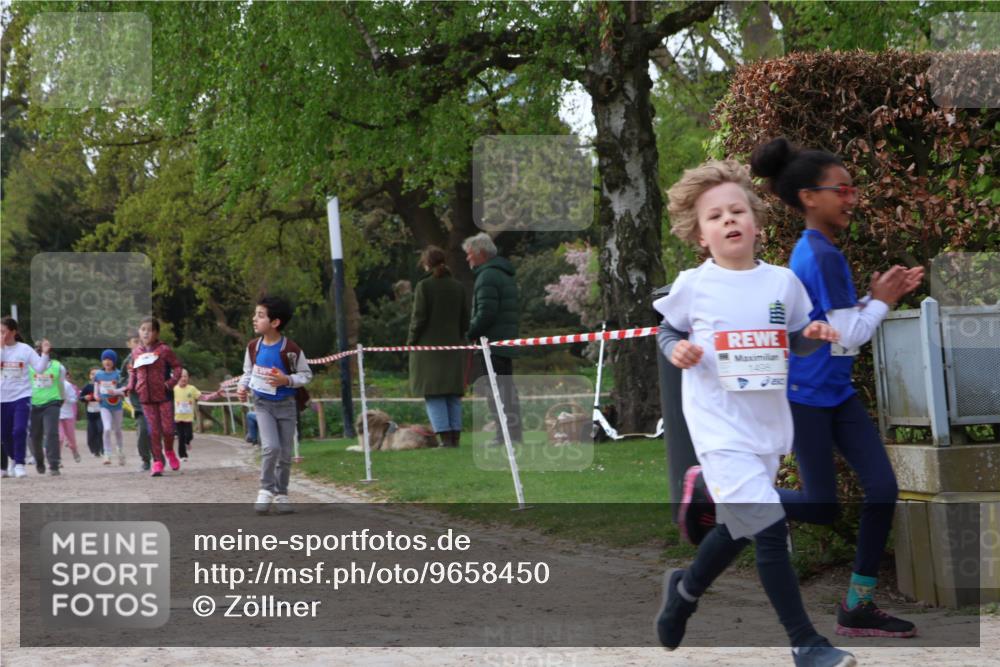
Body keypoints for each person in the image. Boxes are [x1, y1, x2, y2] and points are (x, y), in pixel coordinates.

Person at [653, 160, 855, 667]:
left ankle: (685, 591)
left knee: (739, 526)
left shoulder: (782, 284)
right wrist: (676, 349)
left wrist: (812, 338)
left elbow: (794, 341)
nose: (728, 220)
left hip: (767, 428)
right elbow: (668, 330)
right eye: (715, 216)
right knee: (767, 525)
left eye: (736, 210)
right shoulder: (694, 285)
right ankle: (806, 643)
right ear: (700, 235)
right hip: (717, 427)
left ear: (756, 223)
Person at [750, 137, 922, 639]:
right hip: (806, 396)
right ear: (809, 197)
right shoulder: (820, 255)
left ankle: (858, 606)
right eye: (841, 189)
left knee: (883, 490)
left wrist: (873, 298)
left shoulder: (818, 250)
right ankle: (722, 494)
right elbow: (849, 337)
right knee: (822, 506)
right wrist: (883, 300)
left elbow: (841, 329)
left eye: (851, 189)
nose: (851, 198)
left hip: (835, 393)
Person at [237, 296, 312, 514]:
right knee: (271, 447)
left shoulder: (291, 349)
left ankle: (282, 494)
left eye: (260, 316)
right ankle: (265, 489)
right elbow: (247, 373)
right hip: (262, 405)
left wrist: (286, 380)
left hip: (287, 405)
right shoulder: (253, 348)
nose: (254, 319)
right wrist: (243, 387)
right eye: (255, 314)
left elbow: (306, 375)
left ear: (275, 322)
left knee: (285, 454)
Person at [407, 246, 470, 448]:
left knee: (433, 393)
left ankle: (444, 438)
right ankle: (455, 437)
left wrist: (411, 341)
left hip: (428, 349)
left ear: (426, 263)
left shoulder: (424, 286)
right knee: (452, 393)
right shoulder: (458, 287)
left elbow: (419, 319)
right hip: (452, 346)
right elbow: (464, 320)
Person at [463, 232, 522, 445]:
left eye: (470, 254)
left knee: (496, 393)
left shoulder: (487, 276)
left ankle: (504, 435)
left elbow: (486, 312)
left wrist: (470, 332)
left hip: (493, 343)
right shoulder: (503, 274)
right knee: (507, 391)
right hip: (504, 341)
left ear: (480, 254)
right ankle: (513, 434)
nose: (467, 259)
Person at [126, 317, 182, 477]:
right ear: (139, 332)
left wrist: (170, 383)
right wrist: (131, 385)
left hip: (163, 395)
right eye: (143, 329)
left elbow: (177, 367)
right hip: (145, 397)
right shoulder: (136, 352)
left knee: (168, 429)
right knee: (154, 431)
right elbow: (133, 370)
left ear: (156, 333)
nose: (145, 333)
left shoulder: (164, 350)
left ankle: (170, 451)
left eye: (149, 330)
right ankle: (157, 462)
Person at [1, 318, 52, 478]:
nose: (1, 335)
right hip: (2, 398)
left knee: (19, 430)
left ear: (13, 332)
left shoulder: (24, 349)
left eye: (3, 331)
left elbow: (39, 368)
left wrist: (44, 353)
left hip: (21, 396)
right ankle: (14, 459)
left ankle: (20, 464)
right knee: (4, 435)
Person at [29, 345, 67, 476]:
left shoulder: (58, 367)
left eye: (42, 350)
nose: (39, 353)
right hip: (33, 404)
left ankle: (54, 464)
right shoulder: (29, 366)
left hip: (52, 403)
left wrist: (62, 398)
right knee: (35, 436)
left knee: (52, 432)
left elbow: (61, 384)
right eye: (37, 351)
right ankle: (39, 460)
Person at [122, 332, 153, 472]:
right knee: (143, 430)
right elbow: (121, 378)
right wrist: (126, 386)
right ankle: (146, 460)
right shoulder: (127, 361)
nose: (137, 344)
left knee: (155, 431)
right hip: (138, 402)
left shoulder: (149, 356)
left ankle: (159, 457)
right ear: (128, 344)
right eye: (135, 341)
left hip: (153, 400)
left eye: (139, 341)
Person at [95, 349, 126, 466]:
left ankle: (120, 451)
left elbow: (124, 390)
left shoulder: (118, 374)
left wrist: (116, 391)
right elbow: (96, 391)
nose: (107, 362)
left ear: (114, 361)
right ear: (102, 361)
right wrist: (96, 396)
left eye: (109, 359)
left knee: (117, 429)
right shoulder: (98, 375)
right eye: (105, 359)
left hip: (117, 405)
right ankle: (107, 454)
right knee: (107, 428)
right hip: (104, 405)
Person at [173, 369, 202, 460]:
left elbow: (200, 396)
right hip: (178, 418)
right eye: (181, 376)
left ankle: (187, 442)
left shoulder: (192, 388)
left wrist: (215, 395)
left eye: (185, 376)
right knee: (181, 437)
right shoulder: (174, 389)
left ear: (188, 378)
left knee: (189, 435)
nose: (183, 378)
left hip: (188, 418)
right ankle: (182, 455)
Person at [79, 368, 104, 458]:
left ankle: (102, 449)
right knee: (92, 432)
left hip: (101, 412)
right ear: (89, 376)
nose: (94, 376)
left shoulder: (102, 385)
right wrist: (85, 398)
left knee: (100, 429)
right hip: (90, 413)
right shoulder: (87, 387)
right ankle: (94, 450)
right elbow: (80, 397)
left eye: (96, 374)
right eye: (92, 374)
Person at [58, 370, 82, 463]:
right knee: (59, 437)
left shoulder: (67, 385)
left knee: (71, 439)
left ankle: (74, 450)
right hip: (56, 415)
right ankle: (57, 458)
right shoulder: (51, 385)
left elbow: (74, 399)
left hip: (68, 415)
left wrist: (66, 398)